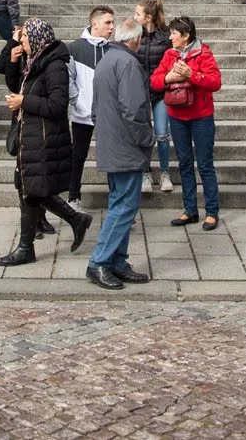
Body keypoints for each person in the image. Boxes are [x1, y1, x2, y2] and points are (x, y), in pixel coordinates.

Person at [0, 18, 92, 267]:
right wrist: (14, 62)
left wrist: (23, 102)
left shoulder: (54, 65)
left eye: (26, 36)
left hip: (44, 137)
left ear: (38, 38)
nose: (22, 40)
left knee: (30, 188)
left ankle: (27, 247)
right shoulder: (34, 62)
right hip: (31, 135)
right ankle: (73, 221)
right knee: (27, 187)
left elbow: (58, 105)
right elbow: (19, 86)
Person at [85, 17, 155, 289]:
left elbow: (95, 107)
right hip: (125, 145)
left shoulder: (106, 60)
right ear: (135, 39)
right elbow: (134, 109)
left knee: (120, 204)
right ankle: (99, 261)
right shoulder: (128, 63)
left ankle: (117, 260)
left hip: (111, 141)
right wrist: (146, 139)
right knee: (124, 206)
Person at [151, 15, 222, 230]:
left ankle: (212, 212)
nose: (170, 37)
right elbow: (154, 81)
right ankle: (190, 210)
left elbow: (215, 82)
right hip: (177, 115)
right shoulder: (169, 55)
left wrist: (193, 75)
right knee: (184, 163)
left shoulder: (203, 53)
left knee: (205, 164)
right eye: (171, 32)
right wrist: (167, 79)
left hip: (201, 116)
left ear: (186, 36)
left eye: (174, 33)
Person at [66, 7, 114, 209]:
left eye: (113, 23)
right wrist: (77, 100)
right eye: (108, 23)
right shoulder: (74, 48)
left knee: (113, 158)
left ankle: (117, 201)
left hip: (108, 114)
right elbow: (68, 78)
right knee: (78, 156)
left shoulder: (113, 49)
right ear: (94, 24)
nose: (112, 27)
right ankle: (73, 197)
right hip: (82, 114)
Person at [134, 0, 174, 192]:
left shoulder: (166, 36)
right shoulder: (135, 35)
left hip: (160, 91)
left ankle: (165, 172)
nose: (135, 17)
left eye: (138, 14)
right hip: (140, 91)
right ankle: (145, 173)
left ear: (148, 17)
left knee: (162, 134)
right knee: (144, 134)